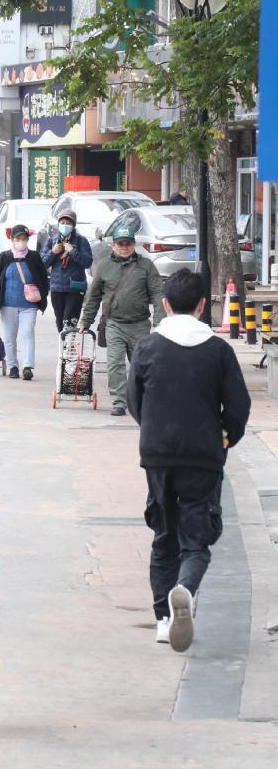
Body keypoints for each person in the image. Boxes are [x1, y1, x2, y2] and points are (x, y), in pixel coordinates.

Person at [126, 269, 251, 651]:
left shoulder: (148, 347)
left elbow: (135, 402)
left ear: (165, 304)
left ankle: (164, 620)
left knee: (164, 535)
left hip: (158, 455)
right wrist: (226, 437)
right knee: (195, 540)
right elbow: (239, 406)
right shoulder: (218, 350)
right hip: (203, 455)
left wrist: (153, 431)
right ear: (201, 305)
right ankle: (186, 588)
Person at [79, 219, 164, 416]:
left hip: (140, 325)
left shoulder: (146, 266)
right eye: (121, 244)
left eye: (128, 243)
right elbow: (93, 296)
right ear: (113, 245)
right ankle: (119, 402)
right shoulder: (104, 266)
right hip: (114, 324)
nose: (124, 247)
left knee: (140, 366)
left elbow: (158, 294)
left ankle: (141, 401)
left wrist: (160, 322)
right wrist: (86, 321)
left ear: (134, 244)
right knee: (115, 364)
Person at [0, 223, 49, 380]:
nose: (21, 241)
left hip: (29, 305)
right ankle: (13, 366)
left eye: (24, 238)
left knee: (28, 333)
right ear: (12, 239)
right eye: (18, 238)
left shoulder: (34, 257)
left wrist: (42, 294)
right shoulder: (4, 257)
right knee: (9, 337)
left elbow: (43, 278)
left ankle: (28, 366)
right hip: (8, 305)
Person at [41, 205, 94, 332]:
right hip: (57, 288)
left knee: (69, 322)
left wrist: (73, 251)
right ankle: (64, 349)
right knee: (60, 322)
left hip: (75, 288)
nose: (65, 225)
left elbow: (87, 262)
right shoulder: (52, 241)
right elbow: (42, 264)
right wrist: (53, 253)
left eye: (68, 223)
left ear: (74, 225)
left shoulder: (81, 241)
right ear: (58, 224)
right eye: (62, 222)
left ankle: (69, 348)